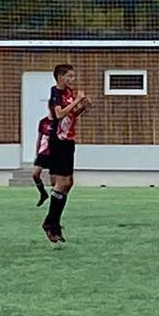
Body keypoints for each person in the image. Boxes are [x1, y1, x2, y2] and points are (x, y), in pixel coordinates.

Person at [41, 64, 91, 245]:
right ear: (60, 77)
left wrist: (83, 106)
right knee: (62, 182)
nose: (73, 79)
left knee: (68, 183)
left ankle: (53, 222)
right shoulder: (56, 92)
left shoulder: (69, 93)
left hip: (68, 140)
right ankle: (51, 224)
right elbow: (60, 114)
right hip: (58, 141)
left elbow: (72, 115)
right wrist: (77, 100)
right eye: (69, 76)